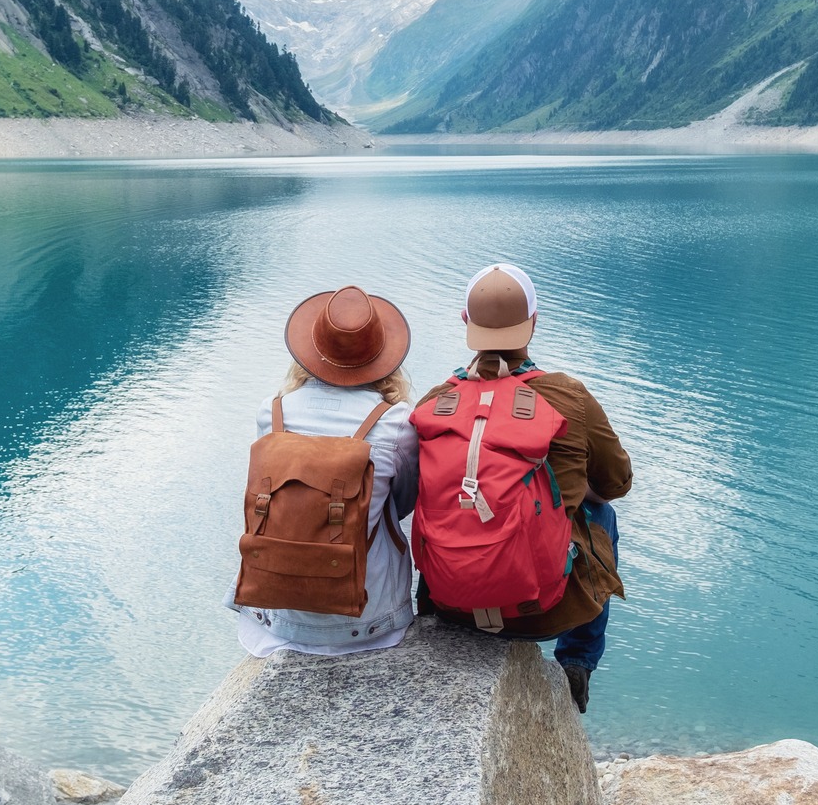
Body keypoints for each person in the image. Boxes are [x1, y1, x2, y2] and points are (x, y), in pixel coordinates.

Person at [417, 264, 630, 712]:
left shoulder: (434, 403)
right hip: (542, 610)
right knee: (601, 515)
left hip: (450, 605)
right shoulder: (568, 395)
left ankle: (431, 616)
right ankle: (576, 662)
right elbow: (616, 483)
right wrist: (576, 489)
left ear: (465, 322)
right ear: (534, 321)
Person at [228, 285, 420, 656]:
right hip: (368, 622)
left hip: (274, 618)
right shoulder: (396, 422)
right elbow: (404, 501)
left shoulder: (273, 412)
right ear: (382, 358)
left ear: (311, 353)